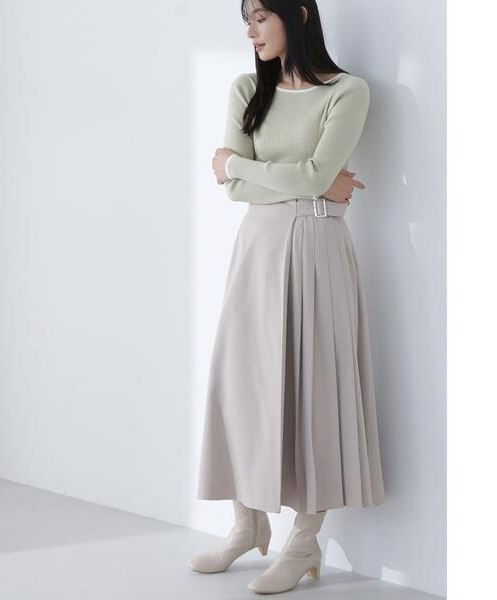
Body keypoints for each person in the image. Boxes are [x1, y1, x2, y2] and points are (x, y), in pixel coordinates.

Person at [187, 0, 386, 594]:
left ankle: (303, 543)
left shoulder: (347, 92)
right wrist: (301, 178)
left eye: (259, 17)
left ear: (297, 15)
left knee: (312, 386)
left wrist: (245, 166)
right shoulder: (247, 88)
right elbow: (234, 187)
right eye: (245, 21)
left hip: (317, 245)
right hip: (258, 247)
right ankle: (247, 523)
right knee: (242, 382)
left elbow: (299, 175)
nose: (250, 31)